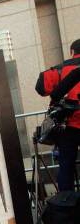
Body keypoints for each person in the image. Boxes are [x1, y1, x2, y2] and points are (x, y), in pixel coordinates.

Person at [36, 39, 80, 191]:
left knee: (66, 167)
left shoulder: (61, 69)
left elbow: (40, 87)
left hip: (68, 126)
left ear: (72, 52)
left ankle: (67, 205)